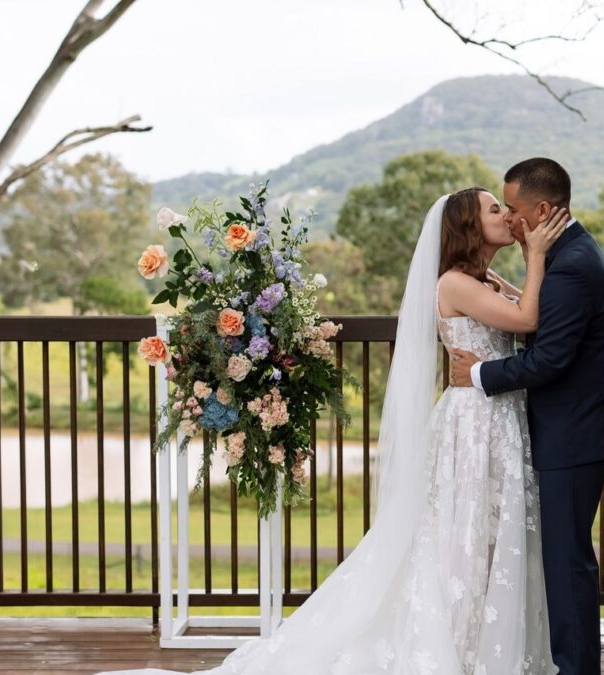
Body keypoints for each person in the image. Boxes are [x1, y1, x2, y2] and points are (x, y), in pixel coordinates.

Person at [96, 187, 569, 675]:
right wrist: (536, 255)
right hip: (472, 424)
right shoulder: (454, 283)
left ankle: (480, 642)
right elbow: (527, 317)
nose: (508, 217)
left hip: (497, 419)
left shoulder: (485, 278)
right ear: (469, 226)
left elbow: (530, 321)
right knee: (460, 534)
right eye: (496, 210)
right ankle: (452, 644)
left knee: (489, 533)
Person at [449, 158, 604, 675]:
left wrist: (480, 374)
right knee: (562, 561)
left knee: (568, 565)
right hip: (563, 432)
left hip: (573, 435)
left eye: (514, 207)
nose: (508, 216)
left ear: (544, 209)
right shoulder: (563, 254)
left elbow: (549, 359)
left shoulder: (571, 265)